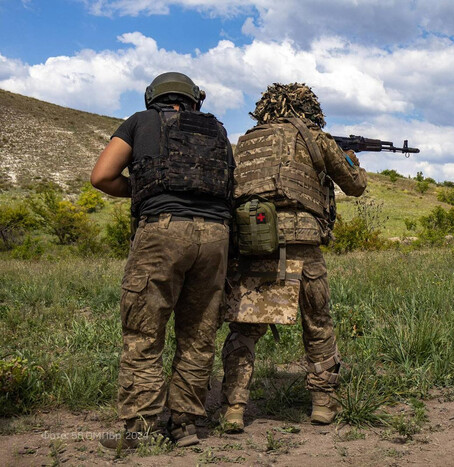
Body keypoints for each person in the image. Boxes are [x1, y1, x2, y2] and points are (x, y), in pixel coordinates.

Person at [90, 72, 233, 448]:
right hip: (217, 235)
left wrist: (142, 190)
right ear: (193, 99)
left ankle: (140, 429)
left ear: (152, 96)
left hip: (163, 232)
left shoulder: (140, 121)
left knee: (144, 331)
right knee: (199, 334)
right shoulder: (217, 129)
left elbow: (102, 177)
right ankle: (184, 424)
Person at [220, 83, 367, 431]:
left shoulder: (247, 140)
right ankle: (323, 404)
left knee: (245, 324)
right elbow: (356, 184)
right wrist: (349, 155)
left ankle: (234, 408)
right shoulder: (316, 137)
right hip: (302, 239)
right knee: (317, 321)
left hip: (254, 239)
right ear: (310, 109)